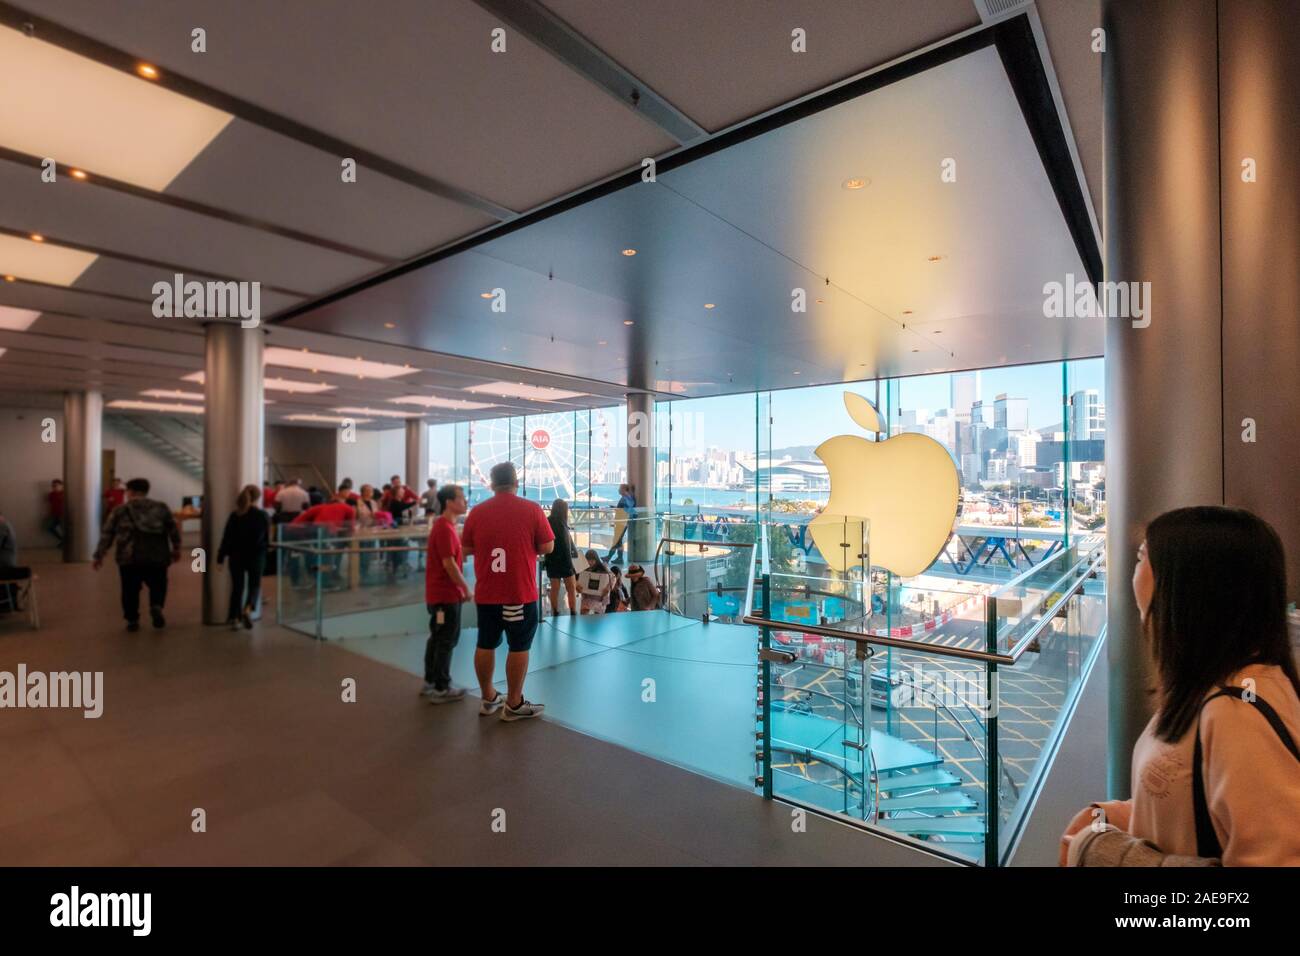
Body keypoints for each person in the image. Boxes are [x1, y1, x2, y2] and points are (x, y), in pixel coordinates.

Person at [1062, 507, 1300, 866]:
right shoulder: (1213, 688)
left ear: (1186, 585)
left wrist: (1112, 856)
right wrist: (1118, 816)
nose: (1132, 571)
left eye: (1142, 557)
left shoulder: (1238, 713)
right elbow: (1195, 802)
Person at [461, 462, 554, 722]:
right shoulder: (532, 509)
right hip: (518, 592)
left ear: (491, 484)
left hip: (487, 591)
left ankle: (488, 697)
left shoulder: (477, 513)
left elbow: (465, 549)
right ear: (516, 482)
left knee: (485, 642)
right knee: (519, 645)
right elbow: (547, 546)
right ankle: (514, 703)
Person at [92, 478, 181, 632]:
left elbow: (107, 534)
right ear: (146, 491)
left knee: (130, 589)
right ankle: (156, 606)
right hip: (157, 555)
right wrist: (176, 548)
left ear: (130, 492)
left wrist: (99, 555)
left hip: (129, 557)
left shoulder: (120, 510)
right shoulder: (161, 507)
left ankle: (132, 620)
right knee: (159, 584)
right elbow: (172, 529)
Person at [422, 484, 471, 703]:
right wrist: (465, 588)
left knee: (437, 637)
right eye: (461, 498)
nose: (465, 501)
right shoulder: (444, 528)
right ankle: (442, 686)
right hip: (446, 596)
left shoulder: (445, 527)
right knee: (446, 639)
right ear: (449, 502)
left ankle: (432, 681)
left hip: (440, 595)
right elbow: (449, 564)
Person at [217, 484, 270, 630]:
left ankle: (234, 618)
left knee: (237, 587)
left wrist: (220, 558)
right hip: (256, 556)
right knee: (254, 585)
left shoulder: (235, 515)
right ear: (258, 498)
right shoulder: (262, 515)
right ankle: (247, 609)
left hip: (236, 556)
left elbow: (226, 537)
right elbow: (266, 539)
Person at [543, 498, 577, 616]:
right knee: (571, 588)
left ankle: (555, 611)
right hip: (565, 560)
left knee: (554, 588)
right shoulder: (563, 523)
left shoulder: (548, 521)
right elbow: (567, 543)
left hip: (551, 559)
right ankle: (573, 611)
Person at [576, 549, 613, 615]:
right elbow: (575, 578)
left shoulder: (603, 567)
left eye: (592, 560)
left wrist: (608, 588)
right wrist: (577, 585)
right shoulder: (582, 567)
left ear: (596, 560)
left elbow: (613, 577)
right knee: (583, 615)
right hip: (587, 596)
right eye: (588, 560)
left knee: (598, 618)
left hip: (599, 596)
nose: (590, 562)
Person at [606, 482, 636, 563]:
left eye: (619, 488)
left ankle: (609, 557)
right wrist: (617, 508)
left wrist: (617, 509)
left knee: (616, 540)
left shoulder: (625, 499)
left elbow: (625, 510)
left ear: (623, 490)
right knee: (618, 541)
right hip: (623, 522)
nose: (618, 490)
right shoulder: (628, 498)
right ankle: (619, 558)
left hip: (621, 522)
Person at [45, 478, 65, 545]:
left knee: (64, 530)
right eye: (53, 486)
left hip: (63, 515)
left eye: (56, 485)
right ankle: (63, 540)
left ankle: (64, 543)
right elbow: (51, 505)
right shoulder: (51, 495)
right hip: (55, 515)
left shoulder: (64, 494)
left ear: (61, 485)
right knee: (50, 528)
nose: (54, 487)